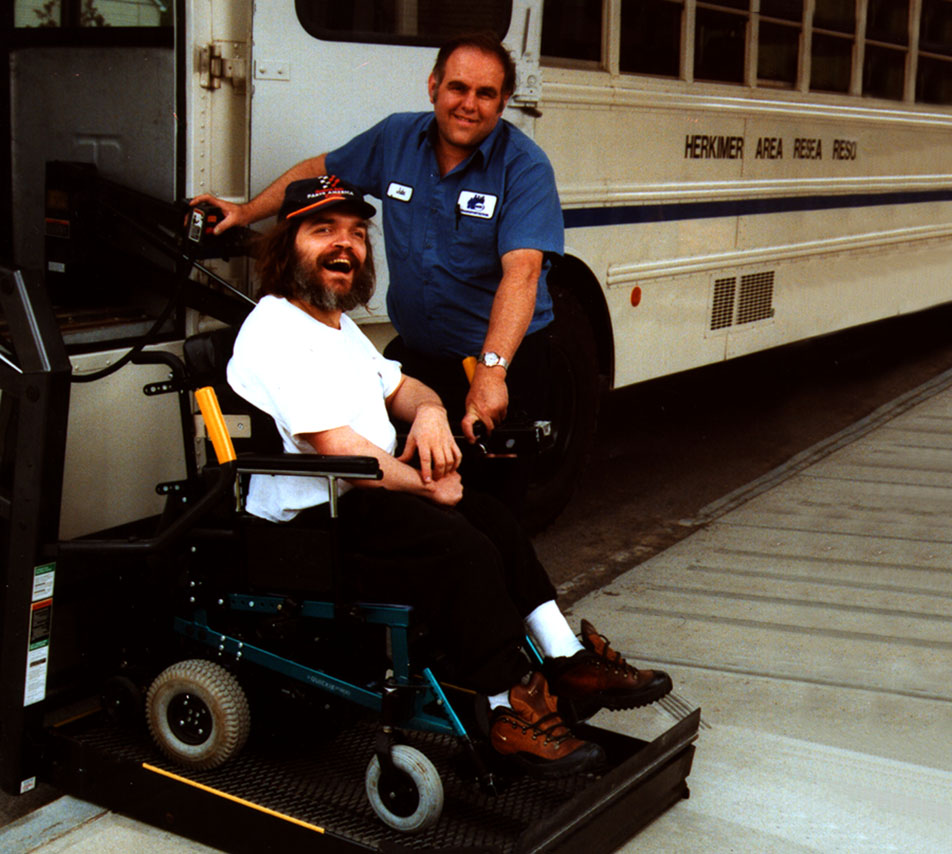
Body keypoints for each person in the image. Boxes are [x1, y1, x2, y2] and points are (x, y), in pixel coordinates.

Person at [226, 177, 672, 777]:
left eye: (357, 234)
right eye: (324, 230)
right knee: (458, 545)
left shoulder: (336, 325)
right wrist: (428, 484)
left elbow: (404, 387)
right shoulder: (274, 329)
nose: (346, 245)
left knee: (490, 516)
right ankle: (505, 710)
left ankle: (565, 657)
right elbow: (336, 449)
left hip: (365, 499)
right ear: (288, 246)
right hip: (312, 519)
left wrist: (433, 413)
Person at [197, 31, 563, 511]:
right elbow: (317, 171)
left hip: (499, 362)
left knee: (493, 503)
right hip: (422, 361)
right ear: (433, 86)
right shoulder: (396, 139)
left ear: (504, 102)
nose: (468, 104)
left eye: (485, 93)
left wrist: (493, 373)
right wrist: (245, 213)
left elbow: (522, 275)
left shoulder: (525, 167)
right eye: (457, 88)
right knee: (425, 495)